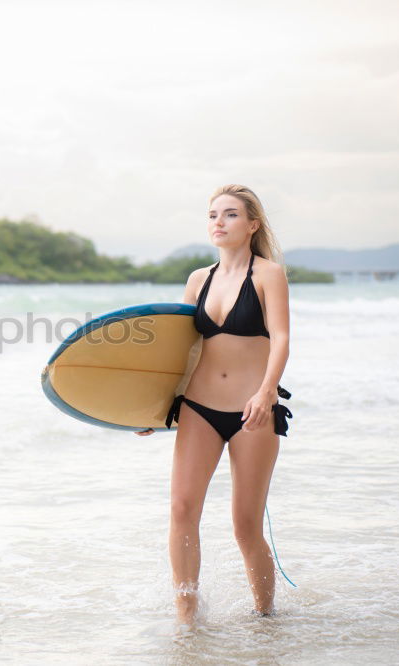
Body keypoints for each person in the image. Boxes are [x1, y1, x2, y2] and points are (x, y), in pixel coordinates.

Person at [136, 184, 291, 626]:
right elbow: (179, 348)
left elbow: (280, 339)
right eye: (212, 215)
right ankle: (187, 614)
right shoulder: (197, 280)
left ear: (252, 225)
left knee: (245, 526)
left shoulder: (268, 275)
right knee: (182, 509)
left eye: (230, 215)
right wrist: (151, 406)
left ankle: (265, 617)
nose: (218, 222)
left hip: (252, 412)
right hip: (199, 407)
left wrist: (266, 392)